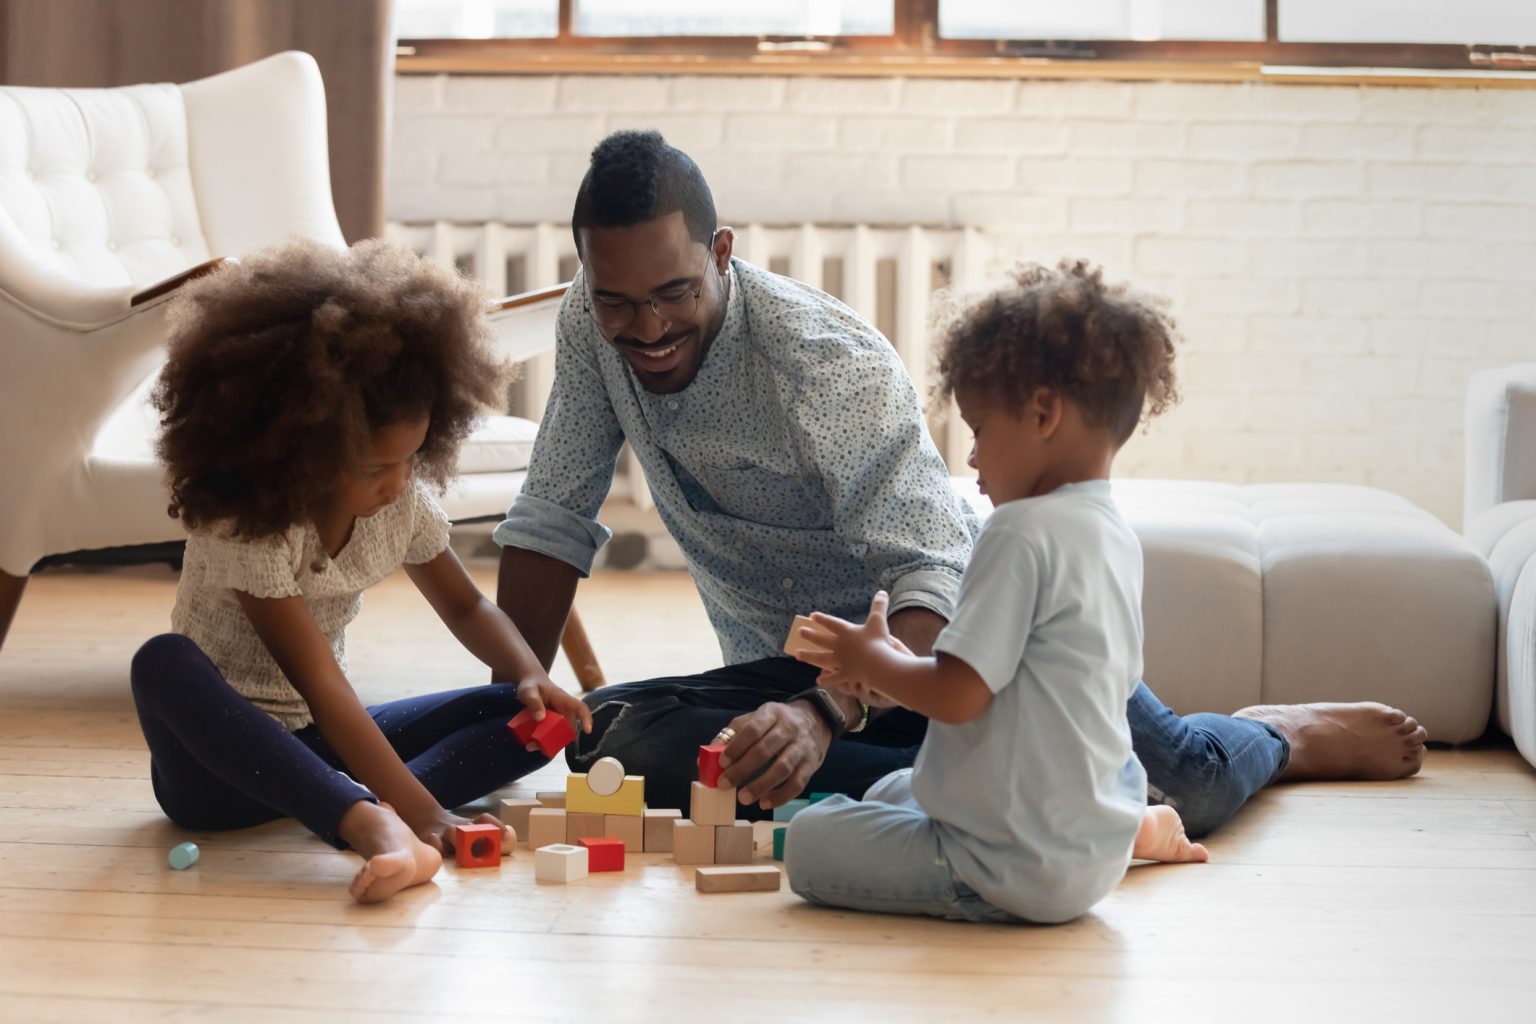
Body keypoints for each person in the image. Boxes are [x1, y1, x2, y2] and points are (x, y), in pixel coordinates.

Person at [493, 129, 1427, 833]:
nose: (646, 327)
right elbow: (551, 516)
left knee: (1178, 782)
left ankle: (1277, 735)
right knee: (612, 749)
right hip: (784, 674)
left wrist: (828, 709)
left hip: (962, 649)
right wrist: (512, 698)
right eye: (617, 300)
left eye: (673, 295)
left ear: (722, 252)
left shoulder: (822, 360)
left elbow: (933, 571)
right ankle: (951, 778)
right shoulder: (592, 323)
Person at [129, 239, 592, 904]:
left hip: (316, 749)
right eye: (376, 468)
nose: (399, 482)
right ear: (303, 452)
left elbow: (467, 608)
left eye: (412, 458)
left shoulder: (400, 500)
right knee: (162, 662)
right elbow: (322, 683)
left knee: (520, 716)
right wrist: (424, 814)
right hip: (217, 771)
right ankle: (373, 822)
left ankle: (349, 799)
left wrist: (529, 673)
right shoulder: (246, 518)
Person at [785, 260, 1207, 923]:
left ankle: (1050, 854)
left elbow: (956, 695)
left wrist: (874, 661)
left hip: (1008, 866)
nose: (974, 458)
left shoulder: (1019, 532)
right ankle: (1132, 834)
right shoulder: (1112, 533)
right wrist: (892, 679)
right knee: (900, 785)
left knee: (808, 844)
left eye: (980, 431)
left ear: (1043, 413)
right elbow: (1039, 686)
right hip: (1087, 830)